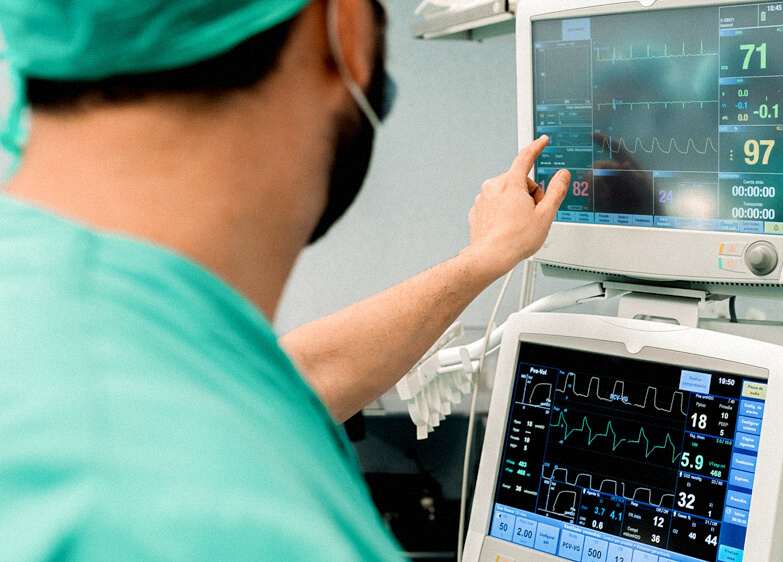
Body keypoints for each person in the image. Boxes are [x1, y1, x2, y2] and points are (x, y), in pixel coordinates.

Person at [0, 0, 570, 558]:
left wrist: (482, 260)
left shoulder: (50, 298)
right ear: (342, 26)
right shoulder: (238, 524)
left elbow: (280, 379)